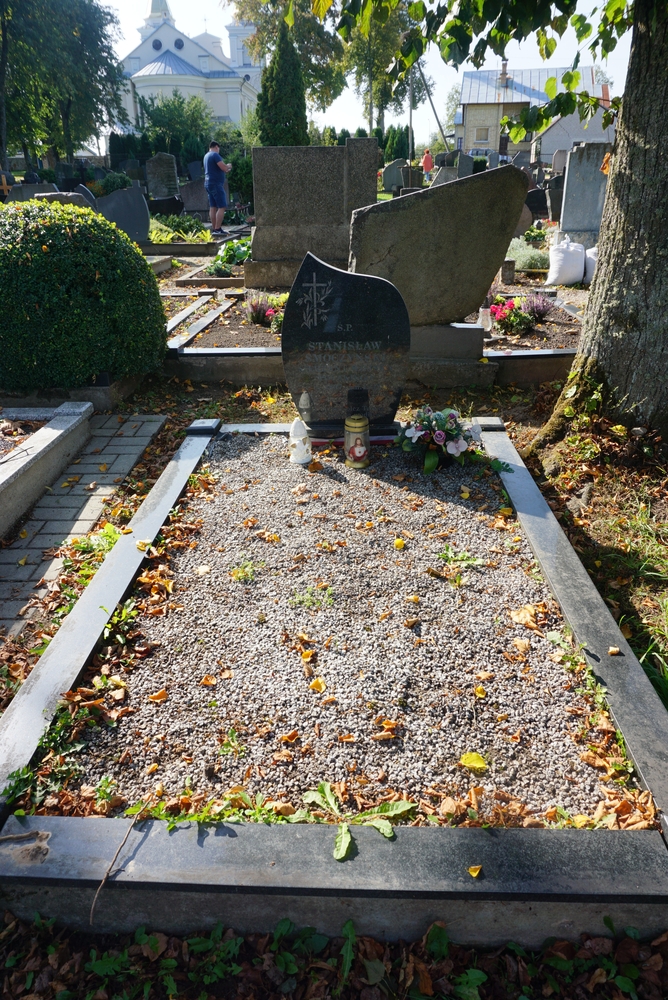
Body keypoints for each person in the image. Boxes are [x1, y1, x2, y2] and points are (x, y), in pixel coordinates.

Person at [203, 140, 232, 235]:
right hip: (216, 184)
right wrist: (228, 166)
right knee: (222, 206)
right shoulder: (215, 155)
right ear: (216, 147)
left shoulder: (206, 156)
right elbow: (223, 167)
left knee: (213, 206)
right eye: (218, 148)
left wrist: (224, 169)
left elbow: (217, 169)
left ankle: (214, 229)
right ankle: (218, 229)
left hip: (208, 183)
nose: (218, 150)